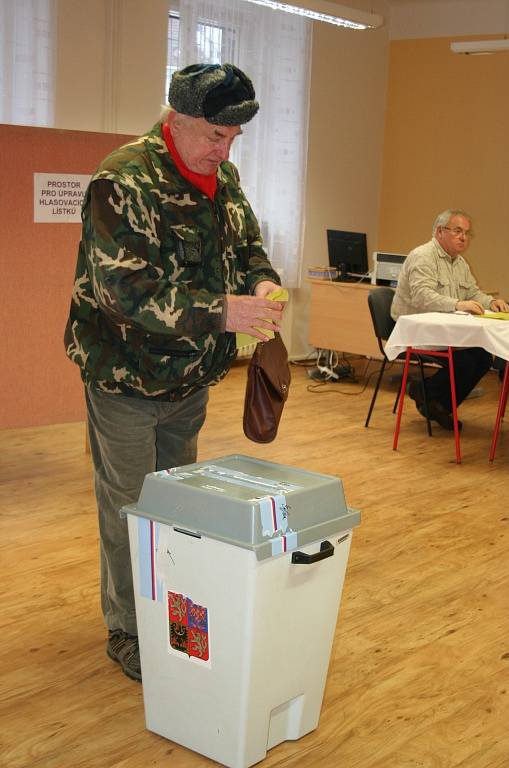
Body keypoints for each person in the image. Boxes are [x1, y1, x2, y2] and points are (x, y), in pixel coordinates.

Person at [64, 63, 283, 681]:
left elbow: (246, 249)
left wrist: (260, 281)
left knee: (175, 505)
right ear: (175, 120)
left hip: (187, 379)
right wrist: (226, 311)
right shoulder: (123, 180)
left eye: (233, 139)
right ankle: (128, 630)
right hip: (125, 380)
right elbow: (123, 294)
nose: (224, 149)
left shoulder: (225, 179)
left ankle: (166, 611)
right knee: (131, 506)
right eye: (215, 135)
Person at [391, 209, 509, 430]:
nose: (463, 237)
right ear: (439, 232)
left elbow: (473, 292)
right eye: (457, 231)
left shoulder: (460, 263)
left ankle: (433, 400)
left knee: (483, 357)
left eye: (466, 232)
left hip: (444, 328)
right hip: (416, 328)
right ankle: (432, 398)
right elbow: (422, 296)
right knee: (465, 360)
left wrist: (490, 302)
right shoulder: (422, 256)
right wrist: (457, 304)